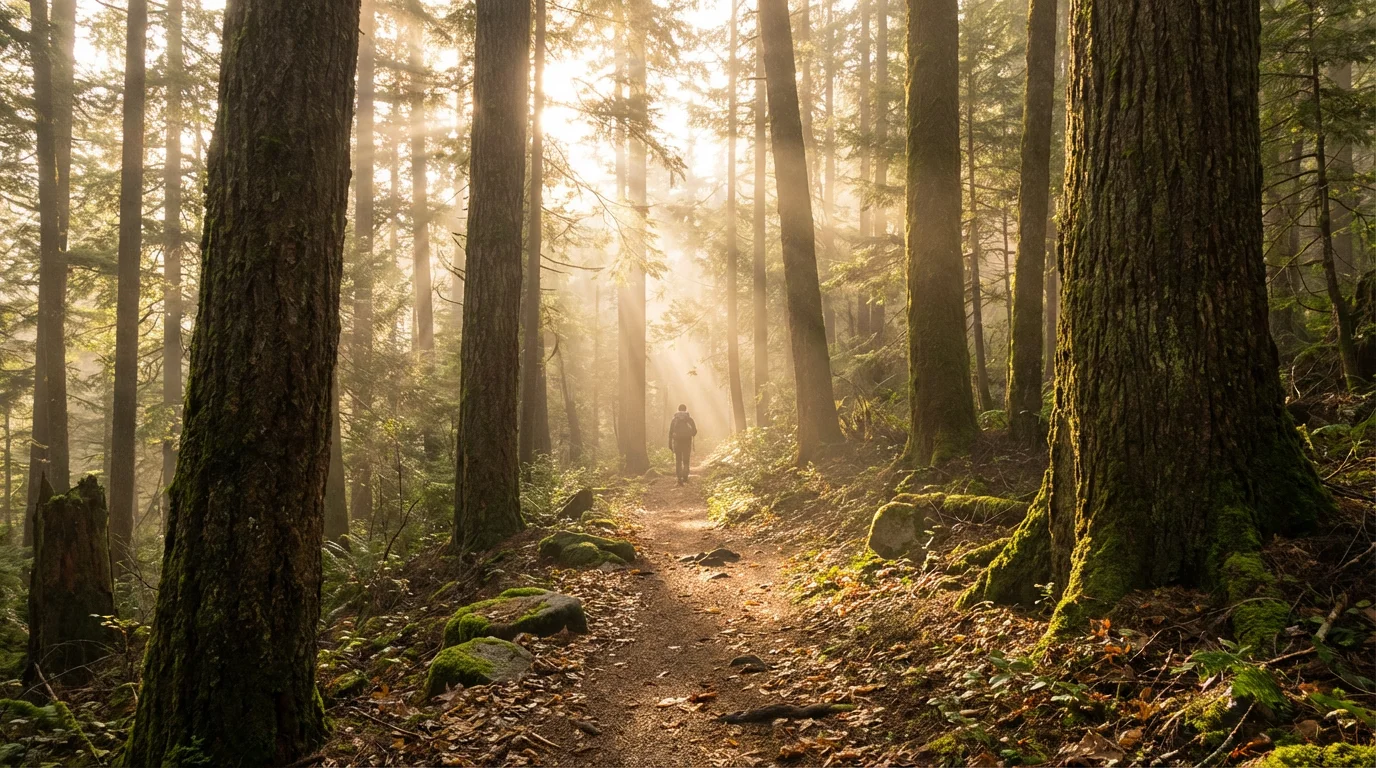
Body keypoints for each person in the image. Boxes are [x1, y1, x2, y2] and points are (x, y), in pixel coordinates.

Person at [668, 404, 697, 484]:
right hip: (687, 442)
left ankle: (679, 478)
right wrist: (690, 434)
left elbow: (670, 432)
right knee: (686, 460)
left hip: (677, 442)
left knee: (678, 460)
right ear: (686, 409)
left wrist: (670, 444)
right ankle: (685, 476)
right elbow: (694, 431)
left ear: (678, 409)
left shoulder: (674, 419)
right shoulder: (689, 419)